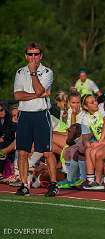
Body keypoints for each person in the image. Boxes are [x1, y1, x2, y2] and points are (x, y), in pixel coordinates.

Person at [13, 42, 58, 197]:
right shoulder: (20, 72)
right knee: (23, 152)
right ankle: (24, 185)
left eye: (36, 54)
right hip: (24, 114)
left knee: (47, 151)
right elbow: (18, 95)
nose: (33, 57)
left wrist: (33, 74)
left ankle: (53, 184)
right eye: (30, 54)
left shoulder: (47, 72)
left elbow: (40, 90)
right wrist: (36, 95)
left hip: (41, 114)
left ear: (41, 56)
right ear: (26, 56)